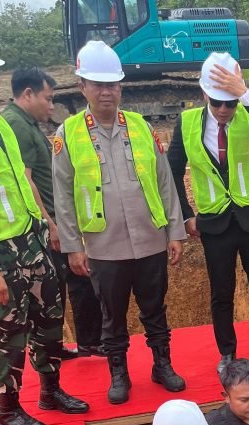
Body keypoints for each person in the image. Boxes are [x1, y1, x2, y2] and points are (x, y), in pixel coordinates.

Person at [53, 40, 187, 404]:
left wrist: (174, 231)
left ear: (121, 86)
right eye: (97, 84)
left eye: (112, 84)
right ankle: (118, 373)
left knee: (155, 308)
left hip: (149, 239)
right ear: (83, 87)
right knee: (112, 315)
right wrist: (73, 247)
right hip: (104, 246)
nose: (106, 91)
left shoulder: (142, 127)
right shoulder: (68, 134)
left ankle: (162, 364)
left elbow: (164, 182)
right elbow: (62, 196)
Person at [0, 32, 88, 425]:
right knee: (8, 330)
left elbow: (21, 176)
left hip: (31, 237)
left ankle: (50, 391)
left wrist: (48, 222)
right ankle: (7, 410)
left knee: (49, 317)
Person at [168, 53, 249, 373]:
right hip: (214, 222)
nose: (224, 110)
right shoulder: (187, 123)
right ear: (204, 94)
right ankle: (227, 353)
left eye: (230, 103)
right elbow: (172, 171)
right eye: (217, 103)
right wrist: (186, 215)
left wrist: (246, 95)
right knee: (221, 292)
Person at [2, 66, 103, 359]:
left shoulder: (26, 122)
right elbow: (26, 179)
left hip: (53, 218)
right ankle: (83, 343)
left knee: (64, 282)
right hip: (46, 223)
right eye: (47, 99)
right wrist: (51, 224)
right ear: (28, 94)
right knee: (75, 278)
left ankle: (60, 347)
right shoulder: (17, 125)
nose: (51, 106)